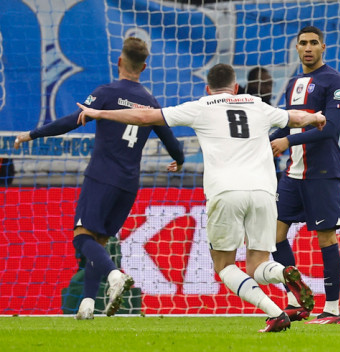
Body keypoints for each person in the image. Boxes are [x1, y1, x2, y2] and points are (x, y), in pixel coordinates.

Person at [75, 63, 324, 332]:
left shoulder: (201, 106)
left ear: (207, 88)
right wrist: (317, 118)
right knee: (259, 264)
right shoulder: (257, 105)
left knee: (224, 265)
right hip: (264, 191)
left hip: (226, 192)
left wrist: (99, 112)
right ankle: (282, 274)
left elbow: (145, 117)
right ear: (236, 87)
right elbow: (295, 118)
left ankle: (275, 311)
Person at [13, 37, 186, 320]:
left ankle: (115, 276)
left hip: (102, 176)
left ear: (119, 61)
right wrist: (179, 161)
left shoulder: (107, 93)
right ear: (144, 67)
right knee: (100, 242)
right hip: (128, 184)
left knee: (82, 238)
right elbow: (172, 142)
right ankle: (87, 304)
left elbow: (71, 121)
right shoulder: (151, 103)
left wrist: (32, 134)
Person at [269, 25, 340, 325]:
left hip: (322, 173)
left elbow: (330, 129)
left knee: (326, 238)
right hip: (293, 174)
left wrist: (286, 141)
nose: (308, 48)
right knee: (275, 236)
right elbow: (288, 123)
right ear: (297, 47)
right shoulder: (294, 82)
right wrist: (264, 142)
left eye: (314, 43)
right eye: (303, 43)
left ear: (323, 47)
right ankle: (296, 301)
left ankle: (332, 309)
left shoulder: (335, 80)